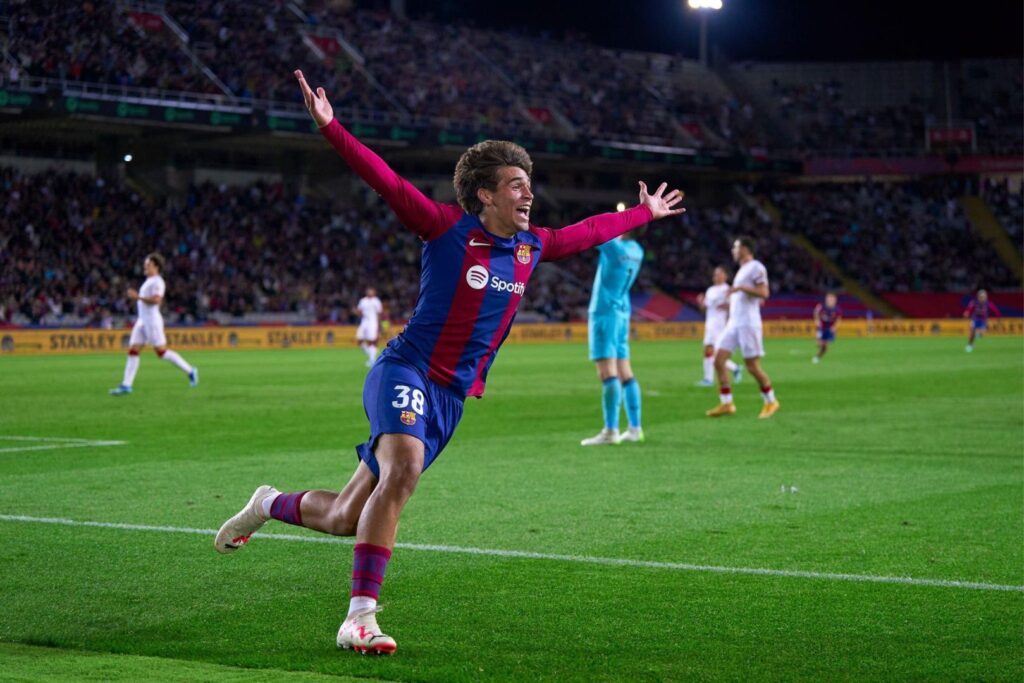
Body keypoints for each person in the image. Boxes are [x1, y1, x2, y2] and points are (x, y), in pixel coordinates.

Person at [214, 70, 686, 656]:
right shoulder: (444, 229)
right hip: (405, 370)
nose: (528, 193)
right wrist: (332, 128)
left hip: (452, 397)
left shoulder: (530, 246)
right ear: (486, 194)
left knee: (342, 516)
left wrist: (642, 214)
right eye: (516, 185)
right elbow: (385, 181)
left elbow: (587, 232)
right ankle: (359, 617)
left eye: (528, 183)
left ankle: (265, 503)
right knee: (403, 469)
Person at [580, 230, 645, 446]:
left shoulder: (615, 248)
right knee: (625, 371)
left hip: (604, 312)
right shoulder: (637, 251)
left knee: (607, 372)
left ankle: (611, 431)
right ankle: (635, 428)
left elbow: (593, 232)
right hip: (622, 311)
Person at [706, 236, 779, 419]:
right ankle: (727, 403)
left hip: (748, 323)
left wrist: (740, 289)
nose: (733, 250)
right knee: (718, 360)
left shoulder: (756, 267)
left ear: (745, 249)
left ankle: (771, 400)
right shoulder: (742, 271)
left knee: (752, 366)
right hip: (734, 323)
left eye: (736, 247)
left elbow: (764, 292)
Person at [109, 253, 198, 395]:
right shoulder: (148, 281)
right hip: (142, 321)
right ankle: (126, 385)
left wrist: (138, 297)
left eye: (148, 265)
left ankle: (190, 370)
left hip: (152, 321)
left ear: (156, 267)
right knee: (133, 350)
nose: (145, 266)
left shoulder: (158, 282)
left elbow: (157, 300)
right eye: (145, 264)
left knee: (161, 352)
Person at [695, 266, 740, 386]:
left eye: (719, 274)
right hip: (710, 323)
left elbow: (735, 306)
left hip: (720, 324)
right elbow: (706, 308)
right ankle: (734, 368)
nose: (716, 276)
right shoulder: (710, 290)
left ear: (725, 276)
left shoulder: (727, 290)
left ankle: (709, 379)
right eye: (715, 274)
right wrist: (701, 303)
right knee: (708, 351)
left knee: (713, 351)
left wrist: (728, 307)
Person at [355, 287, 384, 366]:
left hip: (373, 322)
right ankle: (371, 355)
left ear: (374, 293)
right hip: (364, 322)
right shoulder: (363, 301)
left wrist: (379, 325)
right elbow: (359, 311)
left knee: (372, 341)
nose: (369, 292)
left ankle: (372, 360)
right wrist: (356, 312)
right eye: (368, 291)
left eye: (371, 291)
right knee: (359, 340)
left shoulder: (376, 301)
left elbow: (379, 314)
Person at [812, 292, 842, 363]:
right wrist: (817, 320)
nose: (830, 300)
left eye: (832, 299)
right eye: (829, 298)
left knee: (824, 345)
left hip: (830, 329)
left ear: (835, 300)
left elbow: (838, 320)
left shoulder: (837, 309)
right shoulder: (821, 306)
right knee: (818, 343)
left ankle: (818, 357)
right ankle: (821, 349)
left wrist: (834, 327)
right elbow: (816, 312)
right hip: (821, 328)